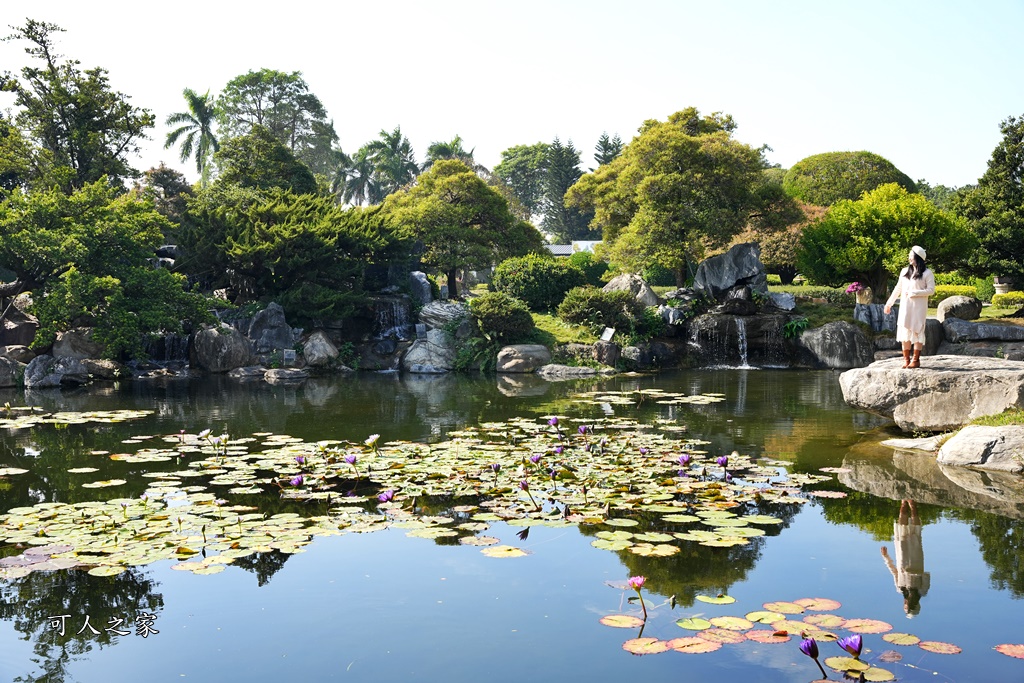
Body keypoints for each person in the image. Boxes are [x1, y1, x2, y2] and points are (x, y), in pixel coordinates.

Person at [884, 245, 935, 368]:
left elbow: (931, 290)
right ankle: (906, 360)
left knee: (917, 331)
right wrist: (889, 303)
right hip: (905, 307)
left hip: (918, 307)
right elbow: (898, 288)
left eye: (911, 257)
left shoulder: (927, 273)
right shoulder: (904, 272)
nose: (909, 259)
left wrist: (915, 293)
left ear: (918, 258)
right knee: (905, 331)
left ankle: (916, 360)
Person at [880, 499, 930, 618]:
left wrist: (886, 556)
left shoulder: (900, 589)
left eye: (905, 606)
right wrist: (914, 576)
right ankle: (912, 505)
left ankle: (903, 503)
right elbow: (927, 575)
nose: (906, 604)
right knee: (916, 535)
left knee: (901, 532)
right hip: (916, 559)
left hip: (902, 559)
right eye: (908, 606)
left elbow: (893, 571)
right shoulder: (922, 591)